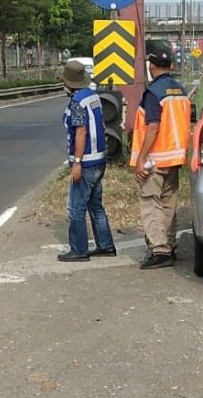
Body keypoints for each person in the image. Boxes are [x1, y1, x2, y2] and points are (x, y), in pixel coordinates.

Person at [130, 45, 192, 270]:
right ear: (172, 66)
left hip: (154, 159)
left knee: (150, 203)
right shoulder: (181, 91)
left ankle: (159, 250)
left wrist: (140, 158)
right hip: (175, 158)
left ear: (151, 67)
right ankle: (168, 244)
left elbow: (153, 127)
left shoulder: (153, 93)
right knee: (168, 203)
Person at [57, 59, 116, 263]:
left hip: (86, 163)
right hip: (99, 159)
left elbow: (80, 132)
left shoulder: (77, 103)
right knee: (95, 206)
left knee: (76, 208)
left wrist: (77, 162)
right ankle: (105, 245)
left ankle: (79, 249)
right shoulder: (93, 97)